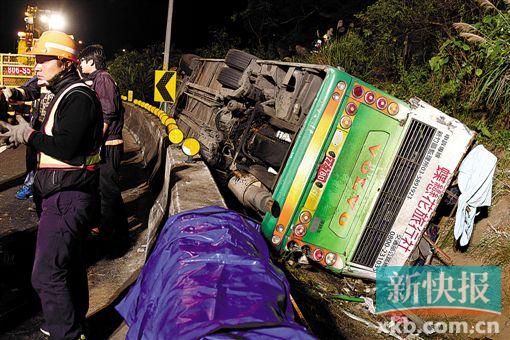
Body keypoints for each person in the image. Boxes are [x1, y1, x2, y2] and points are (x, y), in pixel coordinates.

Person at [0, 30, 103, 339]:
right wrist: (13, 98)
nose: (36, 66)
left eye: (43, 60)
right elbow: (32, 93)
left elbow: (66, 146)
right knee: (69, 267)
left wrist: (28, 135)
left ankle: (66, 332)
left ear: (64, 62)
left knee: (46, 274)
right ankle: (75, 325)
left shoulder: (78, 96)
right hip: (63, 193)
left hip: (68, 196)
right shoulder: (62, 92)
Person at [78, 44, 128, 247]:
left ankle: (112, 235)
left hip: (109, 143)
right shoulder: (96, 79)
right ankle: (115, 230)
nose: (81, 64)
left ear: (91, 61)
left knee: (108, 191)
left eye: (83, 61)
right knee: (104, 189)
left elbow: (109, 111)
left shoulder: (103, 78)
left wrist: (96, 140)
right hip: (106, 142)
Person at [1, 75, 54, 200]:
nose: (38, 67)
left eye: (43, 62)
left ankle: (46, 189)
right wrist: (13, 93)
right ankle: (29, 185)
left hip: (52, 129)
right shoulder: (38, 79)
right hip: (35, 126)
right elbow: (27, 90)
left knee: (49, 160)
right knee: (31, 158)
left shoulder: (72, 84)